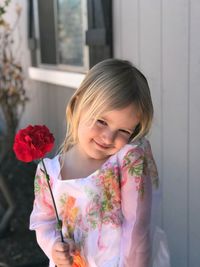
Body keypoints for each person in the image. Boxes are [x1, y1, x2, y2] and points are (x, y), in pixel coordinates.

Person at [29, 58, 160, 267]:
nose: (108, 138)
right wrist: (54, 247)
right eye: (102, 121)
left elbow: (137, 229)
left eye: (124, 131)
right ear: (79, 103)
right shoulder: (49, 172)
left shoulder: (125, 165)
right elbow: (43, 221)